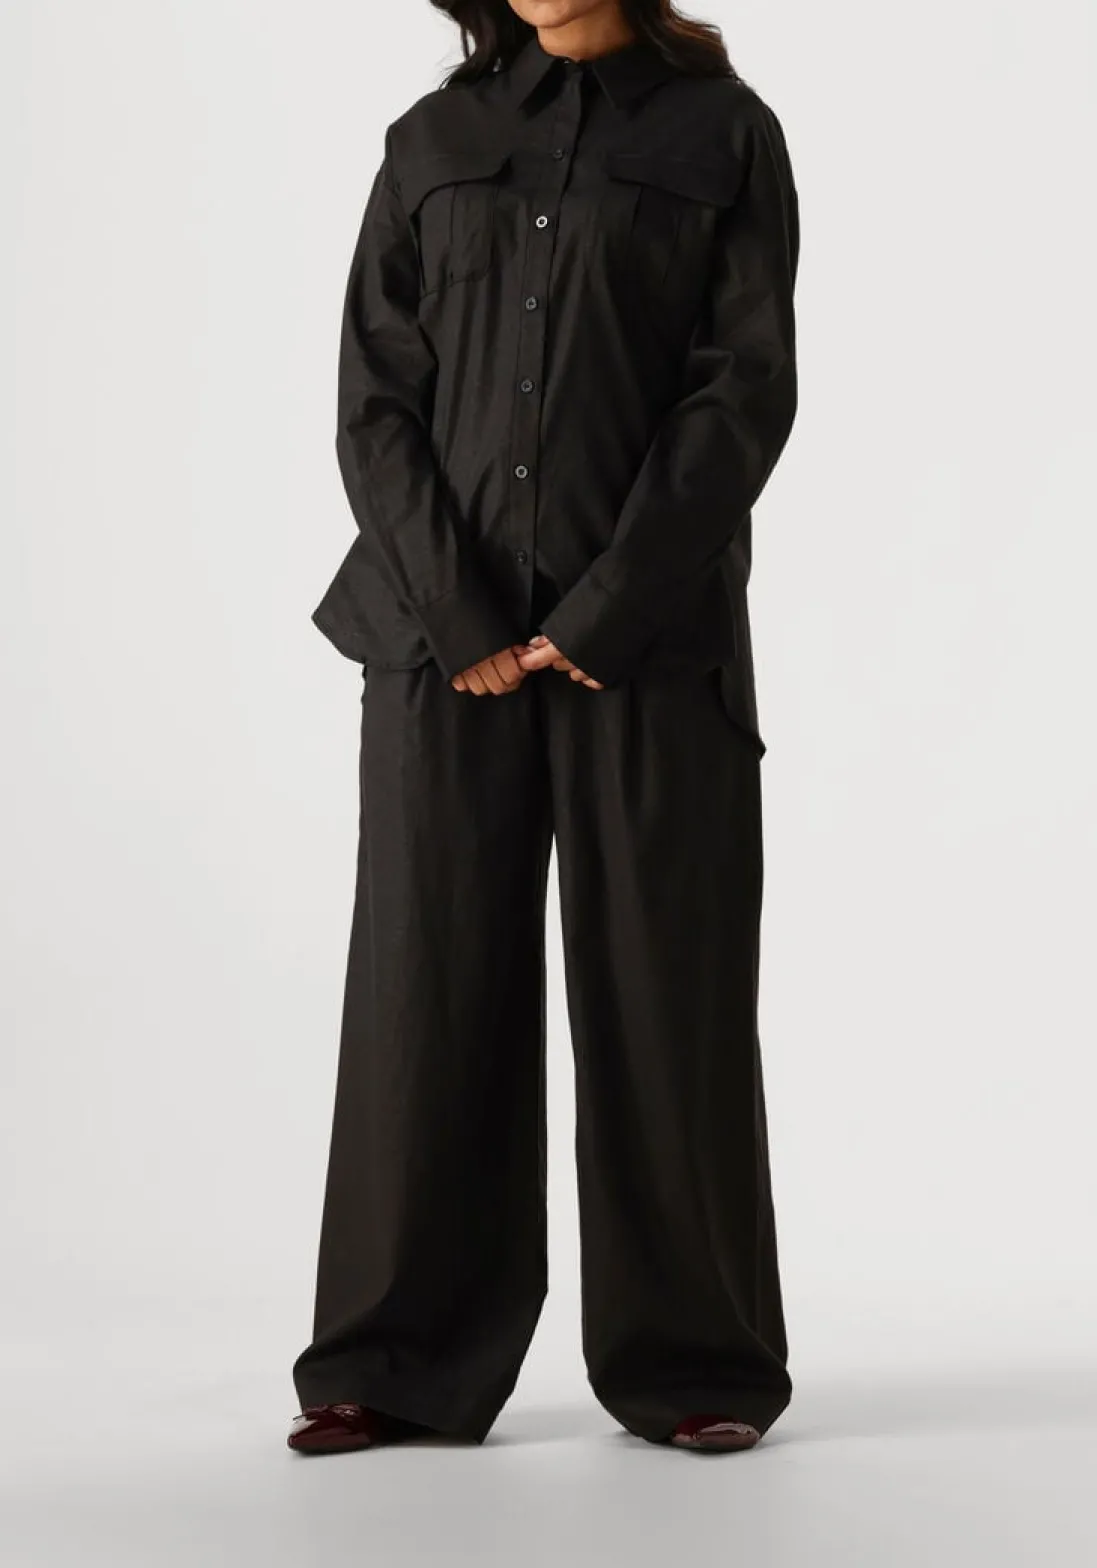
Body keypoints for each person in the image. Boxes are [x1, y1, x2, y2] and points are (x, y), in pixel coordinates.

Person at [289, 0, 800, 1456]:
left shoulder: (726, 137)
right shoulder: (430, 142)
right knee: (426, 988)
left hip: (649, 648)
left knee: (668, 988)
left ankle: (695, 1362)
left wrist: (605, 608)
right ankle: (395, 1361)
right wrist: (461, 616)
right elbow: (373, 404)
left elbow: (743, 390)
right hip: (435, 644)